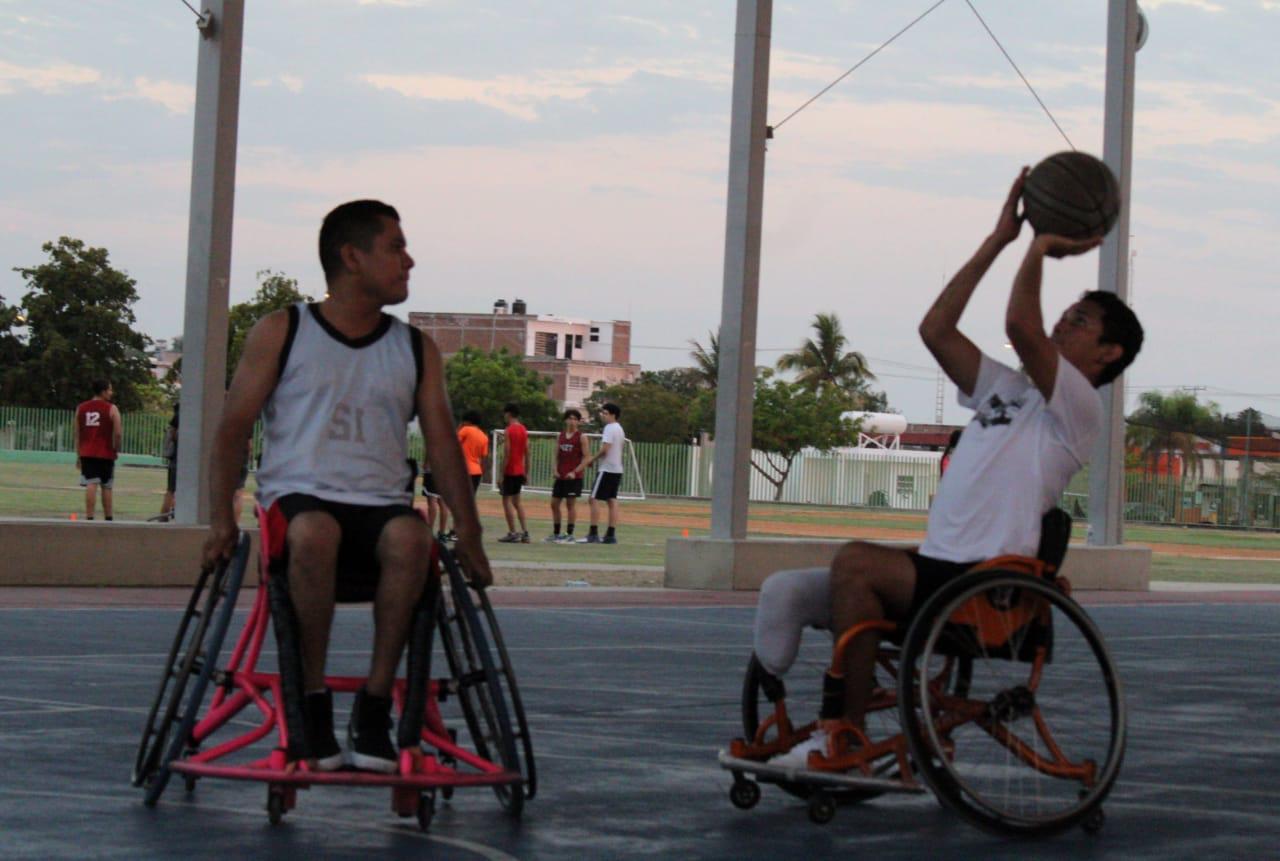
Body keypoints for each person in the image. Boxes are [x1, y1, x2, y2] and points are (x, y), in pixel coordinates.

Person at [759, 170, 1144, 767]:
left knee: (856, 563)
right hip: (940, 570)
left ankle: (843, 732)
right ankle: (824, 728)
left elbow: (1020, 324)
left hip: (982, 586)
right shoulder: (1005, 387)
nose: (1063, 322)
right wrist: (1000, 239)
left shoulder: (1078, 406)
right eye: (1066, 314)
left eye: (1080, 321)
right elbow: (936, 329)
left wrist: (1040, 245)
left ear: (1109, 353)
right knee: (795, 585)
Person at [201, 199, 493, 774]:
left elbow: (441, 446)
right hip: (299, 500)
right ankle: (310, 701)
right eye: (396, 247)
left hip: (379, 505)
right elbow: (232, 430)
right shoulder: (284, 330)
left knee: (414, 540)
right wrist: (219, 520)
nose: (409, 260)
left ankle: (375, 705)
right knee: (314, 532)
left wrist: (473, 531)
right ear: (352, 257)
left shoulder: (414, 347)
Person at [573, 402, 625, 544]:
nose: (603, 415)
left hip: (607, 468)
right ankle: (610, 535)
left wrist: (592, 459)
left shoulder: (609, 427)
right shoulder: (619, 429)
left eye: (605, 413)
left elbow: (605, 449)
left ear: (613, 415)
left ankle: (593, 533)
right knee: (611, 500)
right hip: (617, 469)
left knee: (593, 498)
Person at [74, 379, 123, 521]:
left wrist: (79, 454)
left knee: (91, 483)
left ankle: (89, 517)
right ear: (103, 392)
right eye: (110, 390)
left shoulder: (81, 408)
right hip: (106, 453)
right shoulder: (112, 408)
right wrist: (116, 448)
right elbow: (118, 433)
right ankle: (108, 517)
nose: (111, 393)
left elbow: (77, 434)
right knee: (107, 485)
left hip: (87, 452)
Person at [444, 410, 489, 543]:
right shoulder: (483, 436)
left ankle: (457, 531)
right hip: (476, 472)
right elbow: (484, 457)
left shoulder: (466, 430)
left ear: (467, 421)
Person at [546, 408, 589, 543]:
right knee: (554, 504)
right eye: (570, 418)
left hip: (574, 477)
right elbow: (556, 455)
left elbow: (586, 458)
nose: (572, 421)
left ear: (578, 422)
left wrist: (574, 472)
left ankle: (569, 533)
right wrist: (554, 469)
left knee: (570, 505)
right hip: (561, 476)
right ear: (565, 420)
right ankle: (556, 533)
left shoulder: (581, 437)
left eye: (575, 419)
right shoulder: (561, 436)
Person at [497, 403, 530, 544]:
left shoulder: (509, 430)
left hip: (510, 470)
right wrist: (527, 472)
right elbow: (528, 453)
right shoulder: (523, 429)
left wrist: (501, 473)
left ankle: (512, 532)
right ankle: (525, 532)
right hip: (520, 470)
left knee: (506, 501)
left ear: (508, 414)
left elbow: (507, 453)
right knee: (517, 502)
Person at [158, 401, 179, 521]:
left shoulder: (176, 419)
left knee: (171, 490)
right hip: (182, 460)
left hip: (175, 459)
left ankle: (163, 518)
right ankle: (167, 515)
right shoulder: (187, 415)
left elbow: (171, 436)